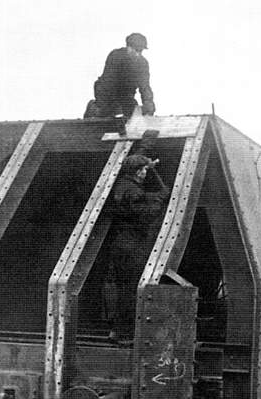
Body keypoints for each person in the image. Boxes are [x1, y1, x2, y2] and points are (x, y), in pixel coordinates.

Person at [106, 153, 170, 341]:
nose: (144, 173)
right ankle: (123, 334)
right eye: (141, 170)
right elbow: (146, 214)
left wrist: (148, 160)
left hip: (121, 243)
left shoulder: (125, 185)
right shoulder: (133, 191)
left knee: (124, 289)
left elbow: (139, 199)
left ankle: (117, 331)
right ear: (133, 171)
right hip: (130, 245)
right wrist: (160, 199)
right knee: (130, 290)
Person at [84, 32, 155, 119]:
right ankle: (94, 108)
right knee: (109, 114)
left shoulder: (143, 63)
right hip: (105, 94)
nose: (138, 54)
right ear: (128, 47)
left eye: (140, 51)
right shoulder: (116, 56)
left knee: (133, 114)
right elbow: (108, 84)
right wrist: (116, 109)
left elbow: (145, 86)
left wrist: (149, 103)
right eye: (136, 50)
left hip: (125, 96)